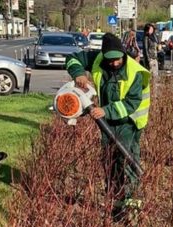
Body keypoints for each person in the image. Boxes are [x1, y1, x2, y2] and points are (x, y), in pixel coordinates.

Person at [65, 33, 152, 211]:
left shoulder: (134, 71)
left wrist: (105, 110)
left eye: (118, 59)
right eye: (110, 60)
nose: (114, 63)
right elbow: (73, 58)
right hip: (108, 123)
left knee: (126, 162)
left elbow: (132, 103)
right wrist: (78, 73)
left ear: (123, 54)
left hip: (129, 122)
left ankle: (132, 206)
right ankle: (115, 202)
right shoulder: (97, 59)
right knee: (109, 161)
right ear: (103, 55)